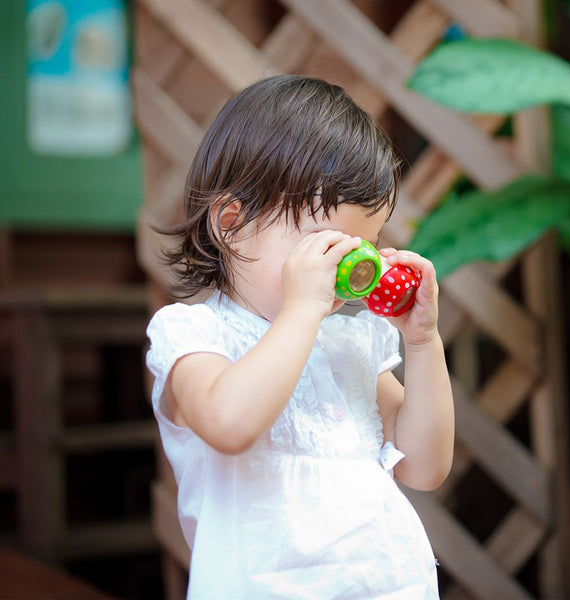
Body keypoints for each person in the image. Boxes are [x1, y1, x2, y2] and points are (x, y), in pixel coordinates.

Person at [146, 74, 454, 599]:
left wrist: (423, 343)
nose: (347, 269)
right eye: (328, 244)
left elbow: (424, 468)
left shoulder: (351, 346)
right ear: (232, 224)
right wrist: (302, 310)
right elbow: (230, 423)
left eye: (366, 246)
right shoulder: (195, 335)